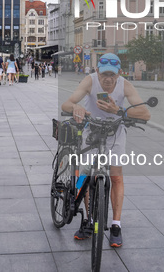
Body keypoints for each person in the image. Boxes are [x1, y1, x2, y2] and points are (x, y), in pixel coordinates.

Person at [61, 53, 150, 248]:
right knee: (87, 175)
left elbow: (145, 113)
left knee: (116, 177)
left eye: (112, 75)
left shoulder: (125, 85)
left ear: (119, 73)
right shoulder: (89, 81)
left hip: (115, 133)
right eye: (104, 75)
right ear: (97, 72)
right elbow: (66, 103)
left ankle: (116, 225)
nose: (108, 79)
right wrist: (76, 108)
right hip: (91, 130)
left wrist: (118, 111)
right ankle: (89, 220)